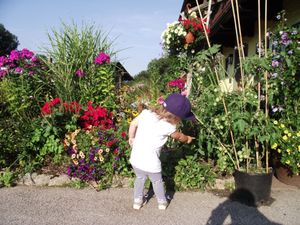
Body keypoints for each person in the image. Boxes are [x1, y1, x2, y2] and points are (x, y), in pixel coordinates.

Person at [128, 93, 195, 210]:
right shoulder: (169, 127)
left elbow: (133, 124)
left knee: (139, 178)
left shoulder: (146, 113)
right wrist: (188, 139)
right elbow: (180, 137)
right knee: (157, 181)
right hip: (152, 163)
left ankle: (137, 201)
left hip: (136, 158)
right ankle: (162, 202)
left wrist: (131, 137)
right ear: (176, 118)